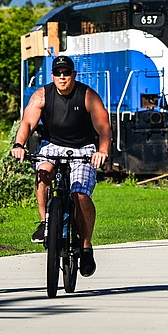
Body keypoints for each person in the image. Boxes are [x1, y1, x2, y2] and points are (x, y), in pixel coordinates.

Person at [11, 54, 111, 277]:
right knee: (43, 172)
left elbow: (104, 126)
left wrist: (102, 150)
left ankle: (86, 246)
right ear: (53, 76)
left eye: (66, 73)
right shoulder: (41, 95)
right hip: (52, 145)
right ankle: (46, 222)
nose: (62, 77)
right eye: (58, 73)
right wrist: (19, 144)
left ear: (73, 75)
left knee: (80, 195)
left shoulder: (87, 96)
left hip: (83, 148)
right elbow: (27, 121)